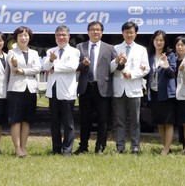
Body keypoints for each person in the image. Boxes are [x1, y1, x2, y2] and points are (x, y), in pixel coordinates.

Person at [74, 21, 117, 155]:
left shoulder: (110, 48)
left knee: (103, 119)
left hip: (102, 88)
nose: (95, 32)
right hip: (85, 87)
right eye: (92, 29)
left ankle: (100, 147)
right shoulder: (80, 47)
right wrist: (83, 64)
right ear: (88, 32)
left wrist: (121, 63)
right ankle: (83, 146)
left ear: (102, 32)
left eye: (98, 30)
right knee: (84, 119)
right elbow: (76, 66)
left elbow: (116, 67)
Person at [110, 21, 150, 154]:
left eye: (131, 32)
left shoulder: (141, 49)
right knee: (119, 120)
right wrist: (117, 62)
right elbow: (109, 69)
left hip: (134, 88)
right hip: (119, 88)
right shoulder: (115, 48)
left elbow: (146, 69)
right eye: (126, 32)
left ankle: (135, 145)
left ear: (136, 33)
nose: (129, 34)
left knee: (135, 120)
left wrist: (132, 74)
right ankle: (120, 146)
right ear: (122, 33)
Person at [44, 25, 79, 156]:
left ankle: (67, 149)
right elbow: (46, 66)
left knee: (68, 122)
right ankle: (56, 148)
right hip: (53, 90)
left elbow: (72, 66)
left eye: (64, 35)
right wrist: (51, 60)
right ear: (55, 37)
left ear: (68, 37)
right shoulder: (51, 51)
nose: (61, 37)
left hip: (67, 91)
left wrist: (55, 67)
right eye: (58, 35)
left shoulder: (74, 51)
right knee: (55, 122)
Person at [7, 26, 41, 157]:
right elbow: (14, 68)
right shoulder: (12, 53)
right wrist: (16, 65)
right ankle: (17, 148)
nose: (23, 38)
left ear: (29, 38)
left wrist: (24, 71)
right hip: (16, 88)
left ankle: (23, 147)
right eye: (21, 36)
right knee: (16, 119)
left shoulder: (34, 53)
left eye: (26, 35)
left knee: (27, 120)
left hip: (30, 88)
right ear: (16, 38)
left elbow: (38, 68)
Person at [147, 30, 177, 155]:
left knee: (168, 122)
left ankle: (166, 148)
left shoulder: (170, 56)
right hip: (154, 93)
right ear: (153, 41)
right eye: (156, 40)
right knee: (159, 122)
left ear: (165, 42)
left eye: (161, 40)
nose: (159, 42)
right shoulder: (151, 56)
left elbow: (173, 74)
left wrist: (166, 65)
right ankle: (165, 146)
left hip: (167, 93)